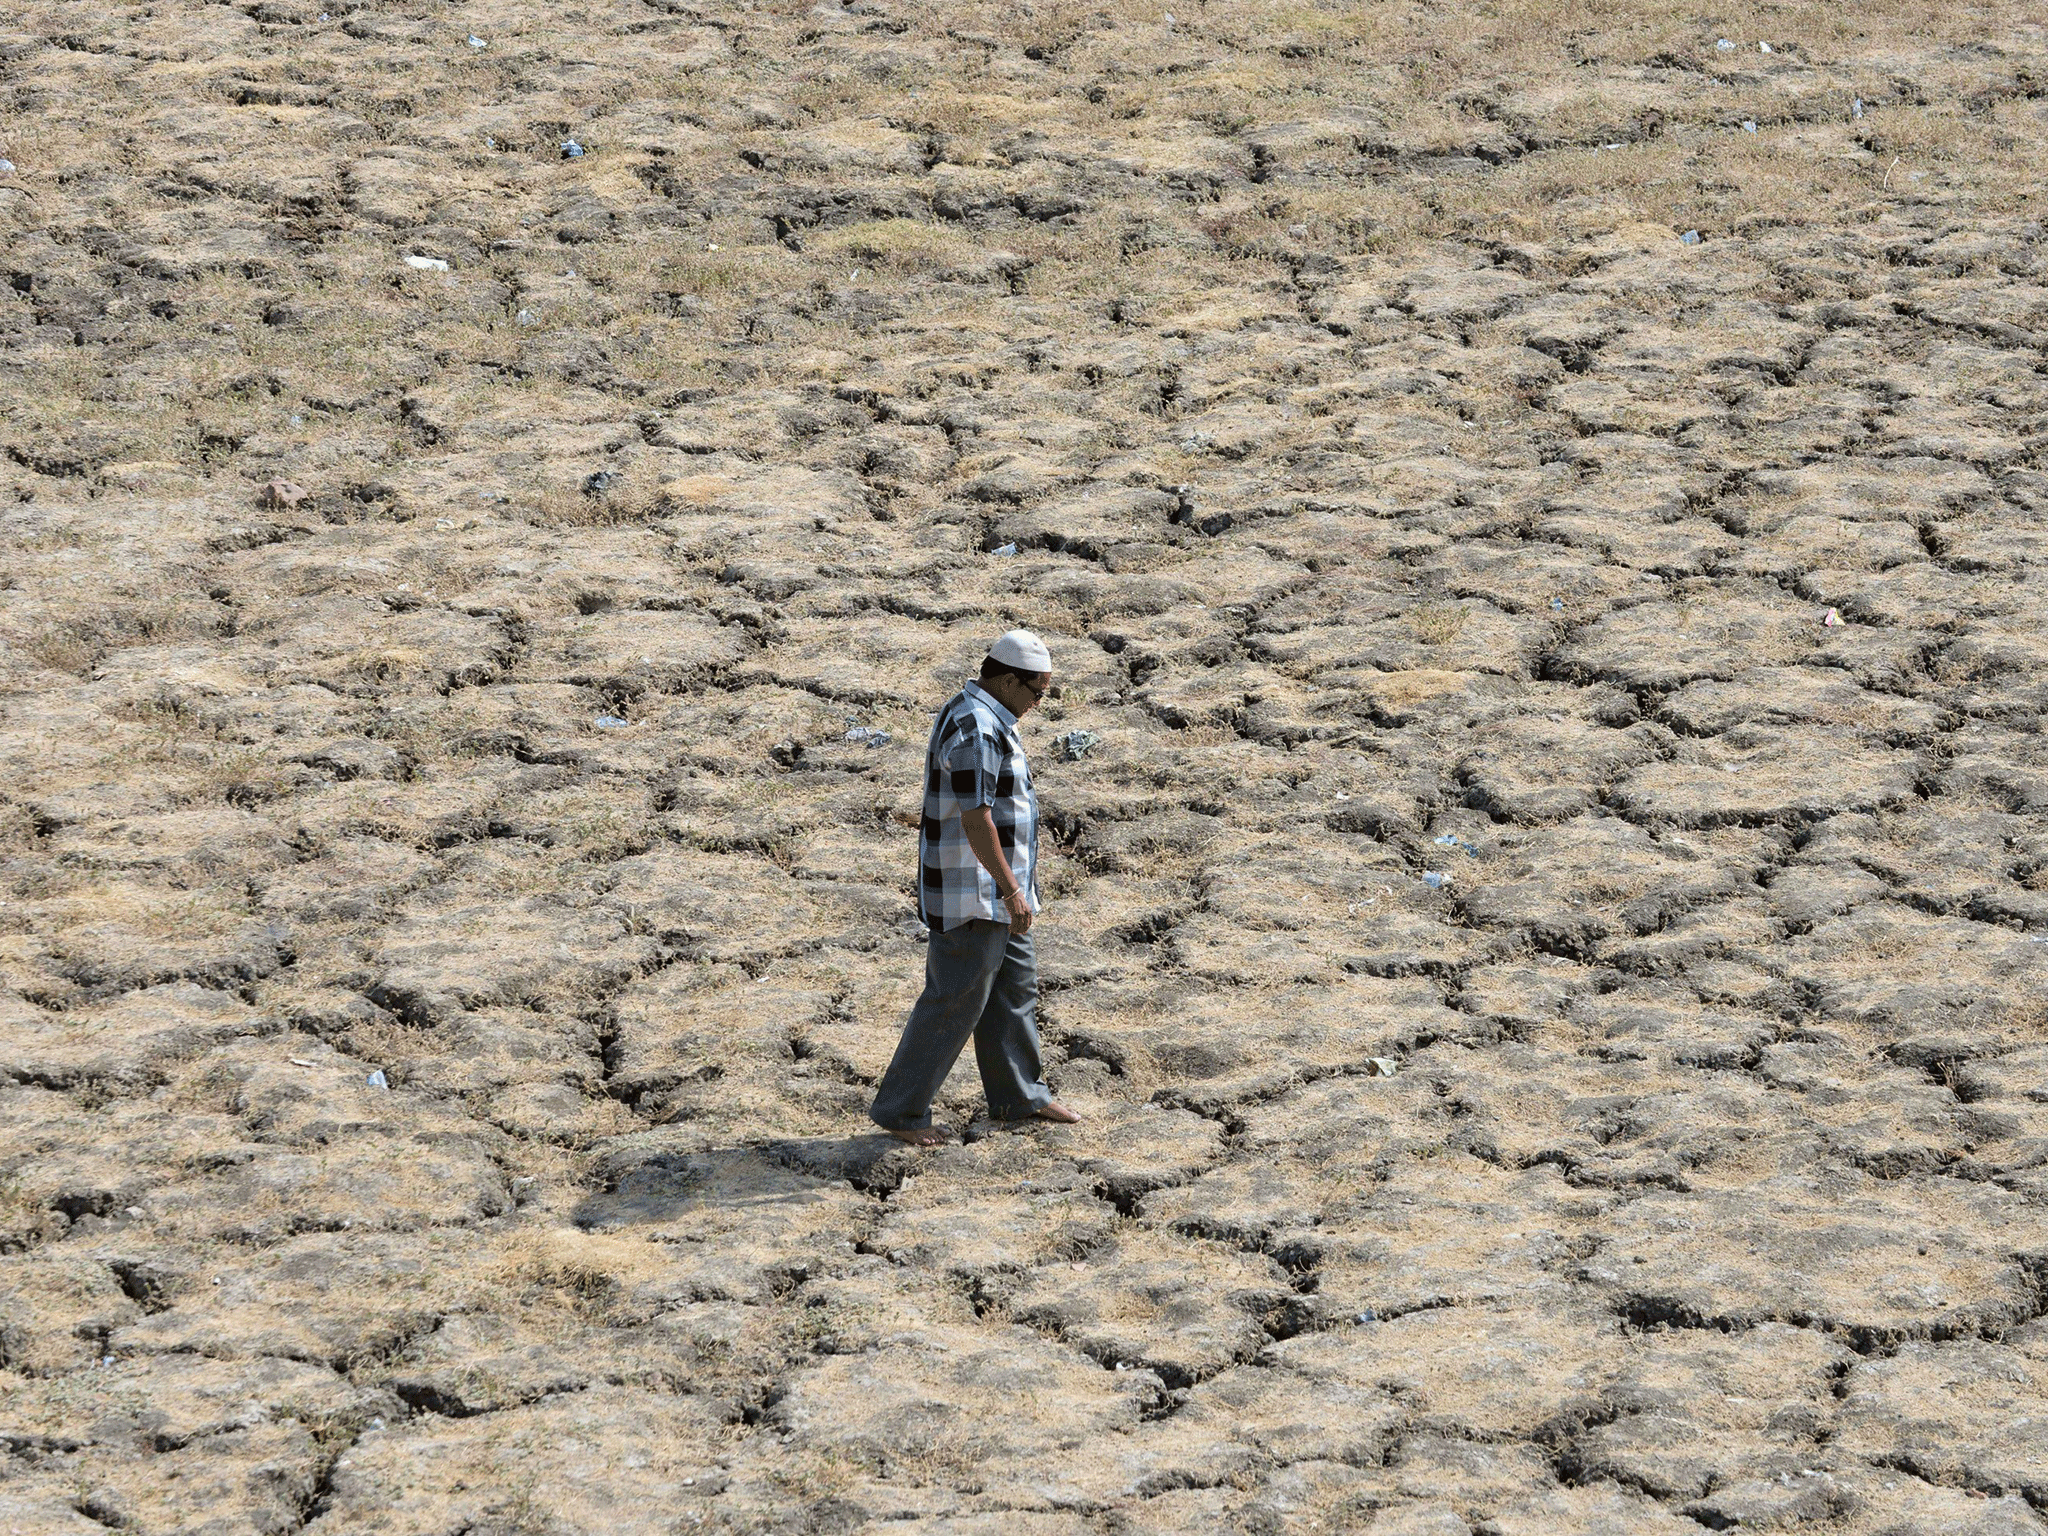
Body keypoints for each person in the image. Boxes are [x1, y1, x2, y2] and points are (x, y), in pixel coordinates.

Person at [869, 629, 1081, 1147]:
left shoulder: (985, 713)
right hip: (977, 893)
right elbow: (976, 818)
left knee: (1013, 991)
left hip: (1000, 892)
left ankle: (1019, 1097)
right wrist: (1011, 890)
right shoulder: (976, 728)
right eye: (1037, 692)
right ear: (1008, 679)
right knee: (955, 999)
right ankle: (901, 1110)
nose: (1038, 703)